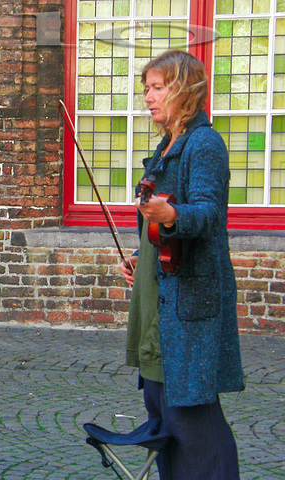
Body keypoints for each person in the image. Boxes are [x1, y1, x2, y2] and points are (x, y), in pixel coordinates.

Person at [118, 50, 245, 479]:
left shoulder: (204, 143)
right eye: (147, 89)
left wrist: (172, 216)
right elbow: (156, 229)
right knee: (165, 420)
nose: (148, 98)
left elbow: (210, 215)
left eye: (157, 88)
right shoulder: (166, 145)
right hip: (158, 300)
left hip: (189, 306)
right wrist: (141, 254)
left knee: (195, 425)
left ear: (184, 90)